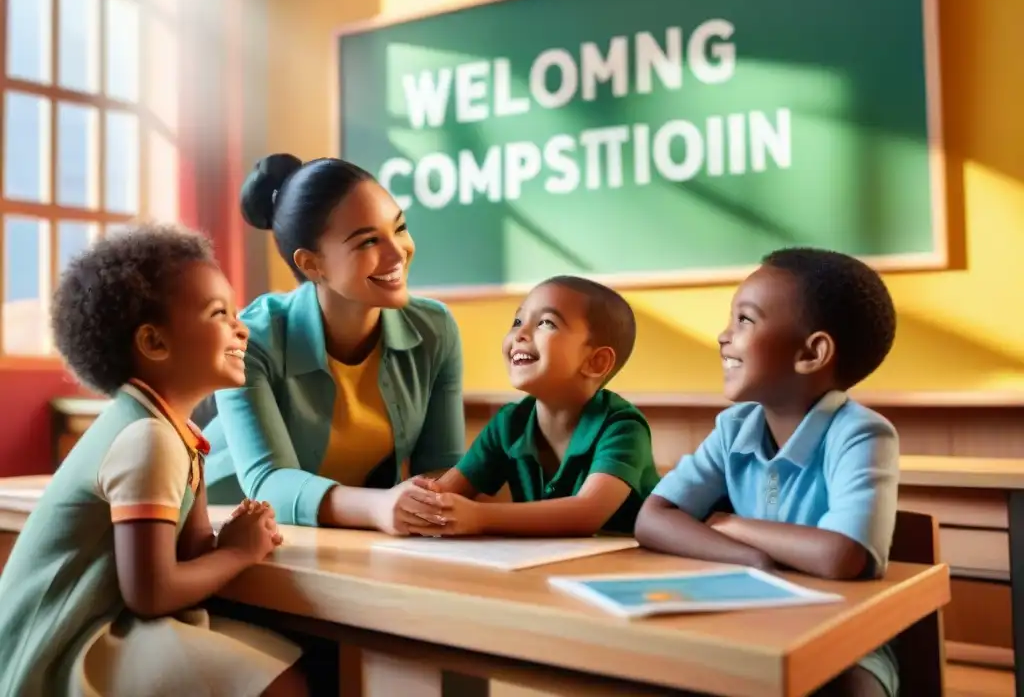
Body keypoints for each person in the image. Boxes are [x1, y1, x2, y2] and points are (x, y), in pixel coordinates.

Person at [0, 226, 307, 696]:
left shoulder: (172, 432)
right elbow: (152, 594)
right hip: (55, 652)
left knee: (286, 656)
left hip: (100, 626)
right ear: (154, 343)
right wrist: (238, 552)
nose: (240, 327)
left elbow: (189, 554)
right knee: (279, 684)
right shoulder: (147, 438)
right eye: (218, 314)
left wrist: (237, 535)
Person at [635, 248, 900, 697]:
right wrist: (751, 559)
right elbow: (653, 518)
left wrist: (730, 524)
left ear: (812, 352)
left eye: (745, 320)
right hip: (741, 622)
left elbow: (841, 555)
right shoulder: (734, 428)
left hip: (843, 640)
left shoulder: (862, 433)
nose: (723, 335)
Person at [201, 154, 463, 533]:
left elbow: (441, 464)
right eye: (368, 241)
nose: (397, 253)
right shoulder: (250, 339)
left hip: (331, 535)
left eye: (400, 228)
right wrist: (379, 508)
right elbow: (268, 483)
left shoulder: (434, 329)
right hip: (220, 533)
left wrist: (434, 503)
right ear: (311, 264)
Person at [408, 276, 660, 537]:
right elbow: (444, 493)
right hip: (542, 563)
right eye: (517, 321)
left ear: (596, 362)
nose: (520, 334)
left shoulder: (622, 427)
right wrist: (415, 501)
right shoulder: (509, 423)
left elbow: (586, 513)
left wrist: (478, 515)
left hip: (625, 566)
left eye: (546, 323)